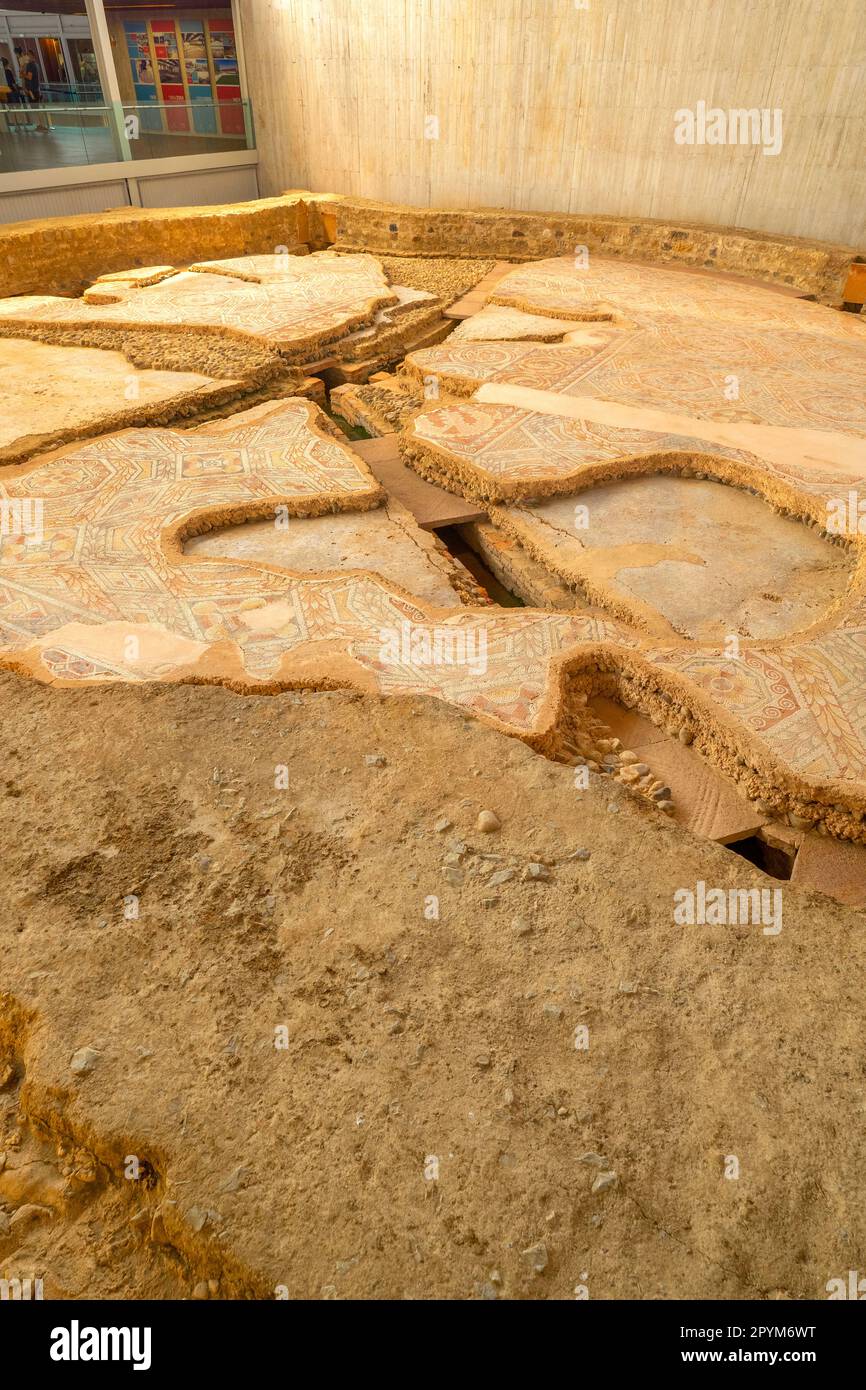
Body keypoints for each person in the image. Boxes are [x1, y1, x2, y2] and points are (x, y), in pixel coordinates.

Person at [14, 46, 47, 132]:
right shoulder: (35, 64)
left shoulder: (31, 65)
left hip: (32, 90)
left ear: (31, 56)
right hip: (34, 89)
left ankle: (41, 125)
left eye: (28, 55)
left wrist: (22, 74)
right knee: (36, 108)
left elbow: (29, 76)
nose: (27, 56)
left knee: (36, 108)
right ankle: (41, 124)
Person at [1, 54, 27, 131]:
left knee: (11, 110)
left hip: (6, 93)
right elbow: (12, 83)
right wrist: (18, 90)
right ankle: (23, 124)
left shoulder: (2, 73)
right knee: (18, 109)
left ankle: (16, 126)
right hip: (12, 92)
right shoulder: (8, 71)